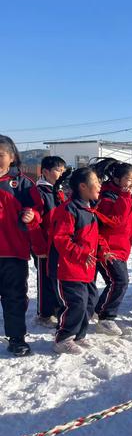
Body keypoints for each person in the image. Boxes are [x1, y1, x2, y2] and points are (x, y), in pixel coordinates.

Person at [48, 167, 112, 354]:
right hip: (67, 268)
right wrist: (82, 254)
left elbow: (94, 237)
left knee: (90, 301)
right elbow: (61, 239)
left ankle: (78, 335)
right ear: (83, 186)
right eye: (96, 182)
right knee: (76, 303)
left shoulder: (89, 209)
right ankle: (63, 338)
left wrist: (103, 251)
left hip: (85, 269)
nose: (100, 185)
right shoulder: (68, 209)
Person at [0, 135, 43, 357]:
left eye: (0, 155)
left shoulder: (23, 183)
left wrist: (31, 216)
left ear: (12, 157)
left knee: (14, 296)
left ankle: (16, 338)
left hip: (12, 252)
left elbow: (39, 211)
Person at [91, 158, 132, 336]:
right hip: (107, 249)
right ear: (117, 180)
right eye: (129, 180)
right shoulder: (107, 197)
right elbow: (114, 222)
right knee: (120, 281)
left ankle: (98, 310)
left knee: (114, 282)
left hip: (120, 248)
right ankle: (106, 317)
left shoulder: (123, 196)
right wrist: (125, 197)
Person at [34, 156, 67, 328]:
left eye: (63, 170)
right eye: (57, 170)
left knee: (54, 276)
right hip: (43, 243)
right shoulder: (39, 192)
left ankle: (54, 307)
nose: (61, 173)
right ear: (45, 172)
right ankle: (43, 313)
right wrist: (39, 245)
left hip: (57, 243)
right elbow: (35, 222)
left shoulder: (59, 191)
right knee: (44, 278)